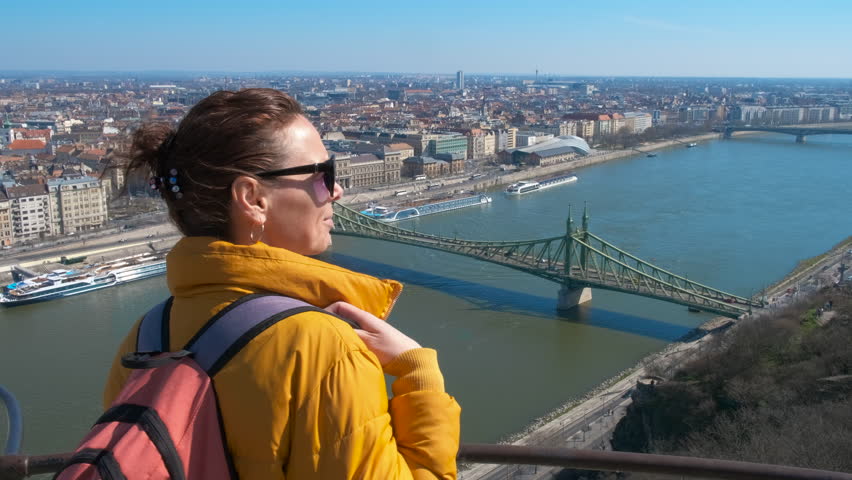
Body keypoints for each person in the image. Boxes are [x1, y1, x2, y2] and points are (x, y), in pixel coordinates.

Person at [103, 88, 461, 479]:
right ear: (253, 199)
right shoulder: (323, 348)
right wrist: (418, 372)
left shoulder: (145, 339)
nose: (337, 191)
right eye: (324, 175)